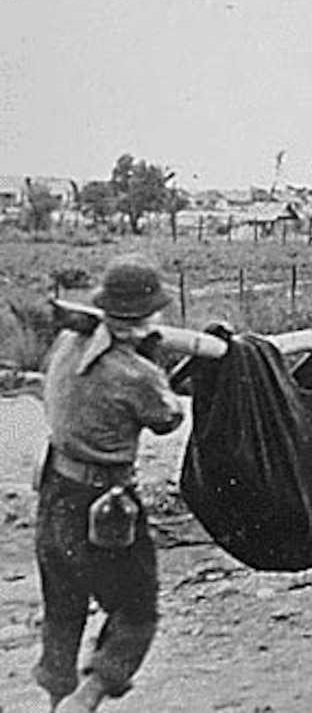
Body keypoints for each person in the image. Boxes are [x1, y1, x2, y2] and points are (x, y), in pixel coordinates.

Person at [35, 255, 184, 712]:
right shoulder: (135, 373)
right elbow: (168, 417)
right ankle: (86, 697)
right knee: (137, 613)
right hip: (105, 505)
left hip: (55, 492)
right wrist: (150, 361)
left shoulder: (65, 342)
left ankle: (57, 698)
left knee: (63, 607)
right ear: (146, 315)